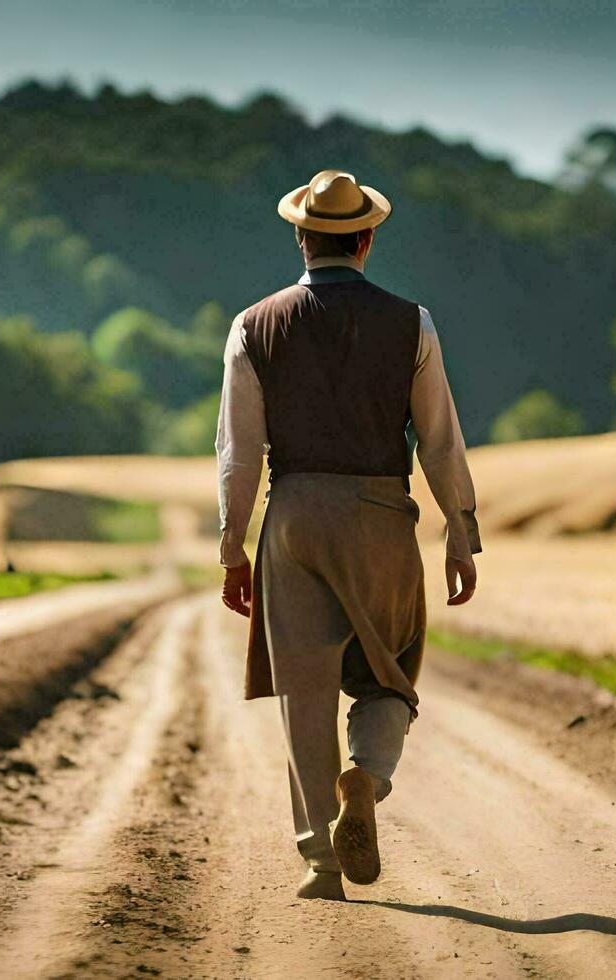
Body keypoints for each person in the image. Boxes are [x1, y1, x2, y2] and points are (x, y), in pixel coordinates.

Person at [215, 169, 482, 901]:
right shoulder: (413, 323)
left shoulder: (252, 325)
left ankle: (320, 863)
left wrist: (232, 544)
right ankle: (366, 777)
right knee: (389, 677)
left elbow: (240, 452)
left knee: (305, 696)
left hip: (294, 514)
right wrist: (462, 532)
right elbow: (440, 441)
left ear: (302, 237)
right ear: (366, 239)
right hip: (381, 517)